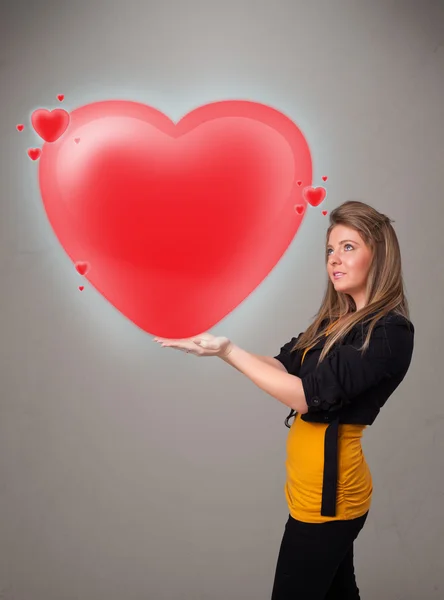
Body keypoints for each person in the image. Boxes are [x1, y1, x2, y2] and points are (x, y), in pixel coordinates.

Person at [153, 200, 415, 599]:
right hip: (307, 490)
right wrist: (215, 345)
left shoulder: (390, 333)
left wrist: (228, 351)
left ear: (378, 254)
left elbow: (307, 396)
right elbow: (281, 367)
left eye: (348, 247)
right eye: (330, 249)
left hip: (331, 498)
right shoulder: (332, 322)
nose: (334, 259)